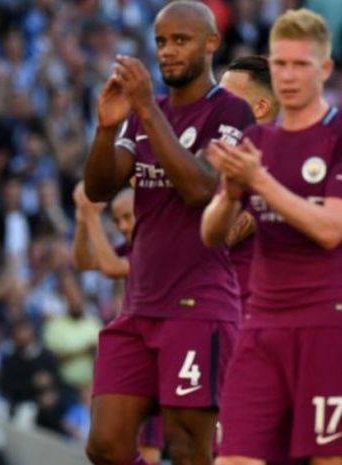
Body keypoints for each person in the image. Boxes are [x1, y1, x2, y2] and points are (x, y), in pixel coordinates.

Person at [82, 2, 255, 465]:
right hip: (138, 307)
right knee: (105, 445)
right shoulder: (144, 113)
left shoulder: (232, 113)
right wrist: (105, 128)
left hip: (197, 307)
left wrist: (143, 110)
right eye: (161, 41)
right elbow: (99, 186)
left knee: (186, 449)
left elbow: (200, 187)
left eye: (181, 40)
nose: (169, 51)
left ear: (211, 43)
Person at [201, 8, 342, 464]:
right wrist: (229, 192)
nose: (288, 75)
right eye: (280, 63)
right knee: (232, 458)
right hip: (259, 328)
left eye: (300, 65)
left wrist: (258, 182)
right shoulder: (255, 143)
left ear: (323, 69)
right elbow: (211, 234)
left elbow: (329, 229)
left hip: (325, 327)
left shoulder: (337, 136)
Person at [73, 183, 163, 464]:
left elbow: (112, 267)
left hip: (160, 350)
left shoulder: (160, 241)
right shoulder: (135, 244)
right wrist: (82, 221)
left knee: (149, 448)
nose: (123, 226)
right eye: (117, 221)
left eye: (128, 217)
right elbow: (85, 261)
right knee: (120, 446)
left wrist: (91, 216)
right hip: (141, 348)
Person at [218, 55, 279, 313]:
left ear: (260, 107)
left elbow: (224, 237)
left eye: (225, 98)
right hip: (221, 302)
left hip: (246, 308)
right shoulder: (230, 154)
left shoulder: (277, 156)